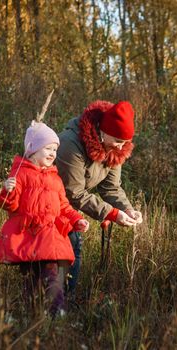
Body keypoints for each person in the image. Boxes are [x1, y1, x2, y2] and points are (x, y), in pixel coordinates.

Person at [0, 121, 90, 317]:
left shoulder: (55, 178)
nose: (53, 153)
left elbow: (63, 206)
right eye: (48, 148)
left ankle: (56, 314)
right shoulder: (20, 174)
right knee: (31, 281)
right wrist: (7, 190)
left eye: (55, 149)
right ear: (32, 150)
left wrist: (76, 219)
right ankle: (33, 316)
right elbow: (8, 206)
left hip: (49, 239)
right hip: (28, 238)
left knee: (52, 277)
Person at [56, 100, 143, 295]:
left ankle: (63, 306)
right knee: (58, 256)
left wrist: (126, 209)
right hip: (49, 207)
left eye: (125, 143)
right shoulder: (71, 145)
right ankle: (49, 310)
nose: (121, 147)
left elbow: (111, 188)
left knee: (73, 252)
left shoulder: (114, 150)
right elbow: (74, 193)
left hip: (71, 211)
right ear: (104, 131)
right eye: (118, 141)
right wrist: (112, 214)